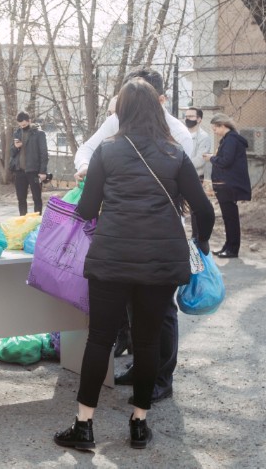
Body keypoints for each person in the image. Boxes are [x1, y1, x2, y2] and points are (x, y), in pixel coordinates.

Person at [54, 78, 215, 451]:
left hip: (111, 260)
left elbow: (87, 210)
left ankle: (83, 425)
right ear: (157, 110)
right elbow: (204, 210)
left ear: (122, 111)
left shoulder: (107, 152)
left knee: (100, 339)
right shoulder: (175, 154)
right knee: (147, 342)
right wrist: (200, 244)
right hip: (160, 264)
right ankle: (139, 424)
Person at [73, 68, 191, 402]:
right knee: (128, 308)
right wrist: (86, 167)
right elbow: (89, 149)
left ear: (161, 100)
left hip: (159, 240)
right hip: (123, 237)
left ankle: (160, 377)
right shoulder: (116, 125)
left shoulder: (180, 135)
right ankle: (140, 370)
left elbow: (181, 193)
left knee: (160, 313)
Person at [204, 113, 252, 259]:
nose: (214, 131)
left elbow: (226, 161)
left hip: (229, 184)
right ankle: (228, 246)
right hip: (227, 184)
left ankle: (232, 249)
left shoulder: (231, 139)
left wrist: (211, 158)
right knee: (228, 217)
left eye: (215, 128)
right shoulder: (228, 139)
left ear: (223, 125)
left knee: (230, 218)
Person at [9, 111, 49, 216]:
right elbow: (11, 153)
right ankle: (23, 221)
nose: (23, 127)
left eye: (25, 125)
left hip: (34, 171)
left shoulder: (39, 134)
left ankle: (37, 222)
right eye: (21, 125)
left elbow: (44, 153)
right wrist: (15, 147)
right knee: (21, 198)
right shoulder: (17, 133)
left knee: (37, 198)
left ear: (29, 121)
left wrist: (43, 171)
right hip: (19, 171)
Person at [184, 107, 213, 240]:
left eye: (191, 116)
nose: (187, 118)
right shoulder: (182, 134)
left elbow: (201, 160)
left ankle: (197, 237)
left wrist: (182, 164)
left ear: (199, 119)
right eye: (186, 116)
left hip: (195, 176)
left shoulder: (204, 137)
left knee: (195, 208)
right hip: (180, 174)